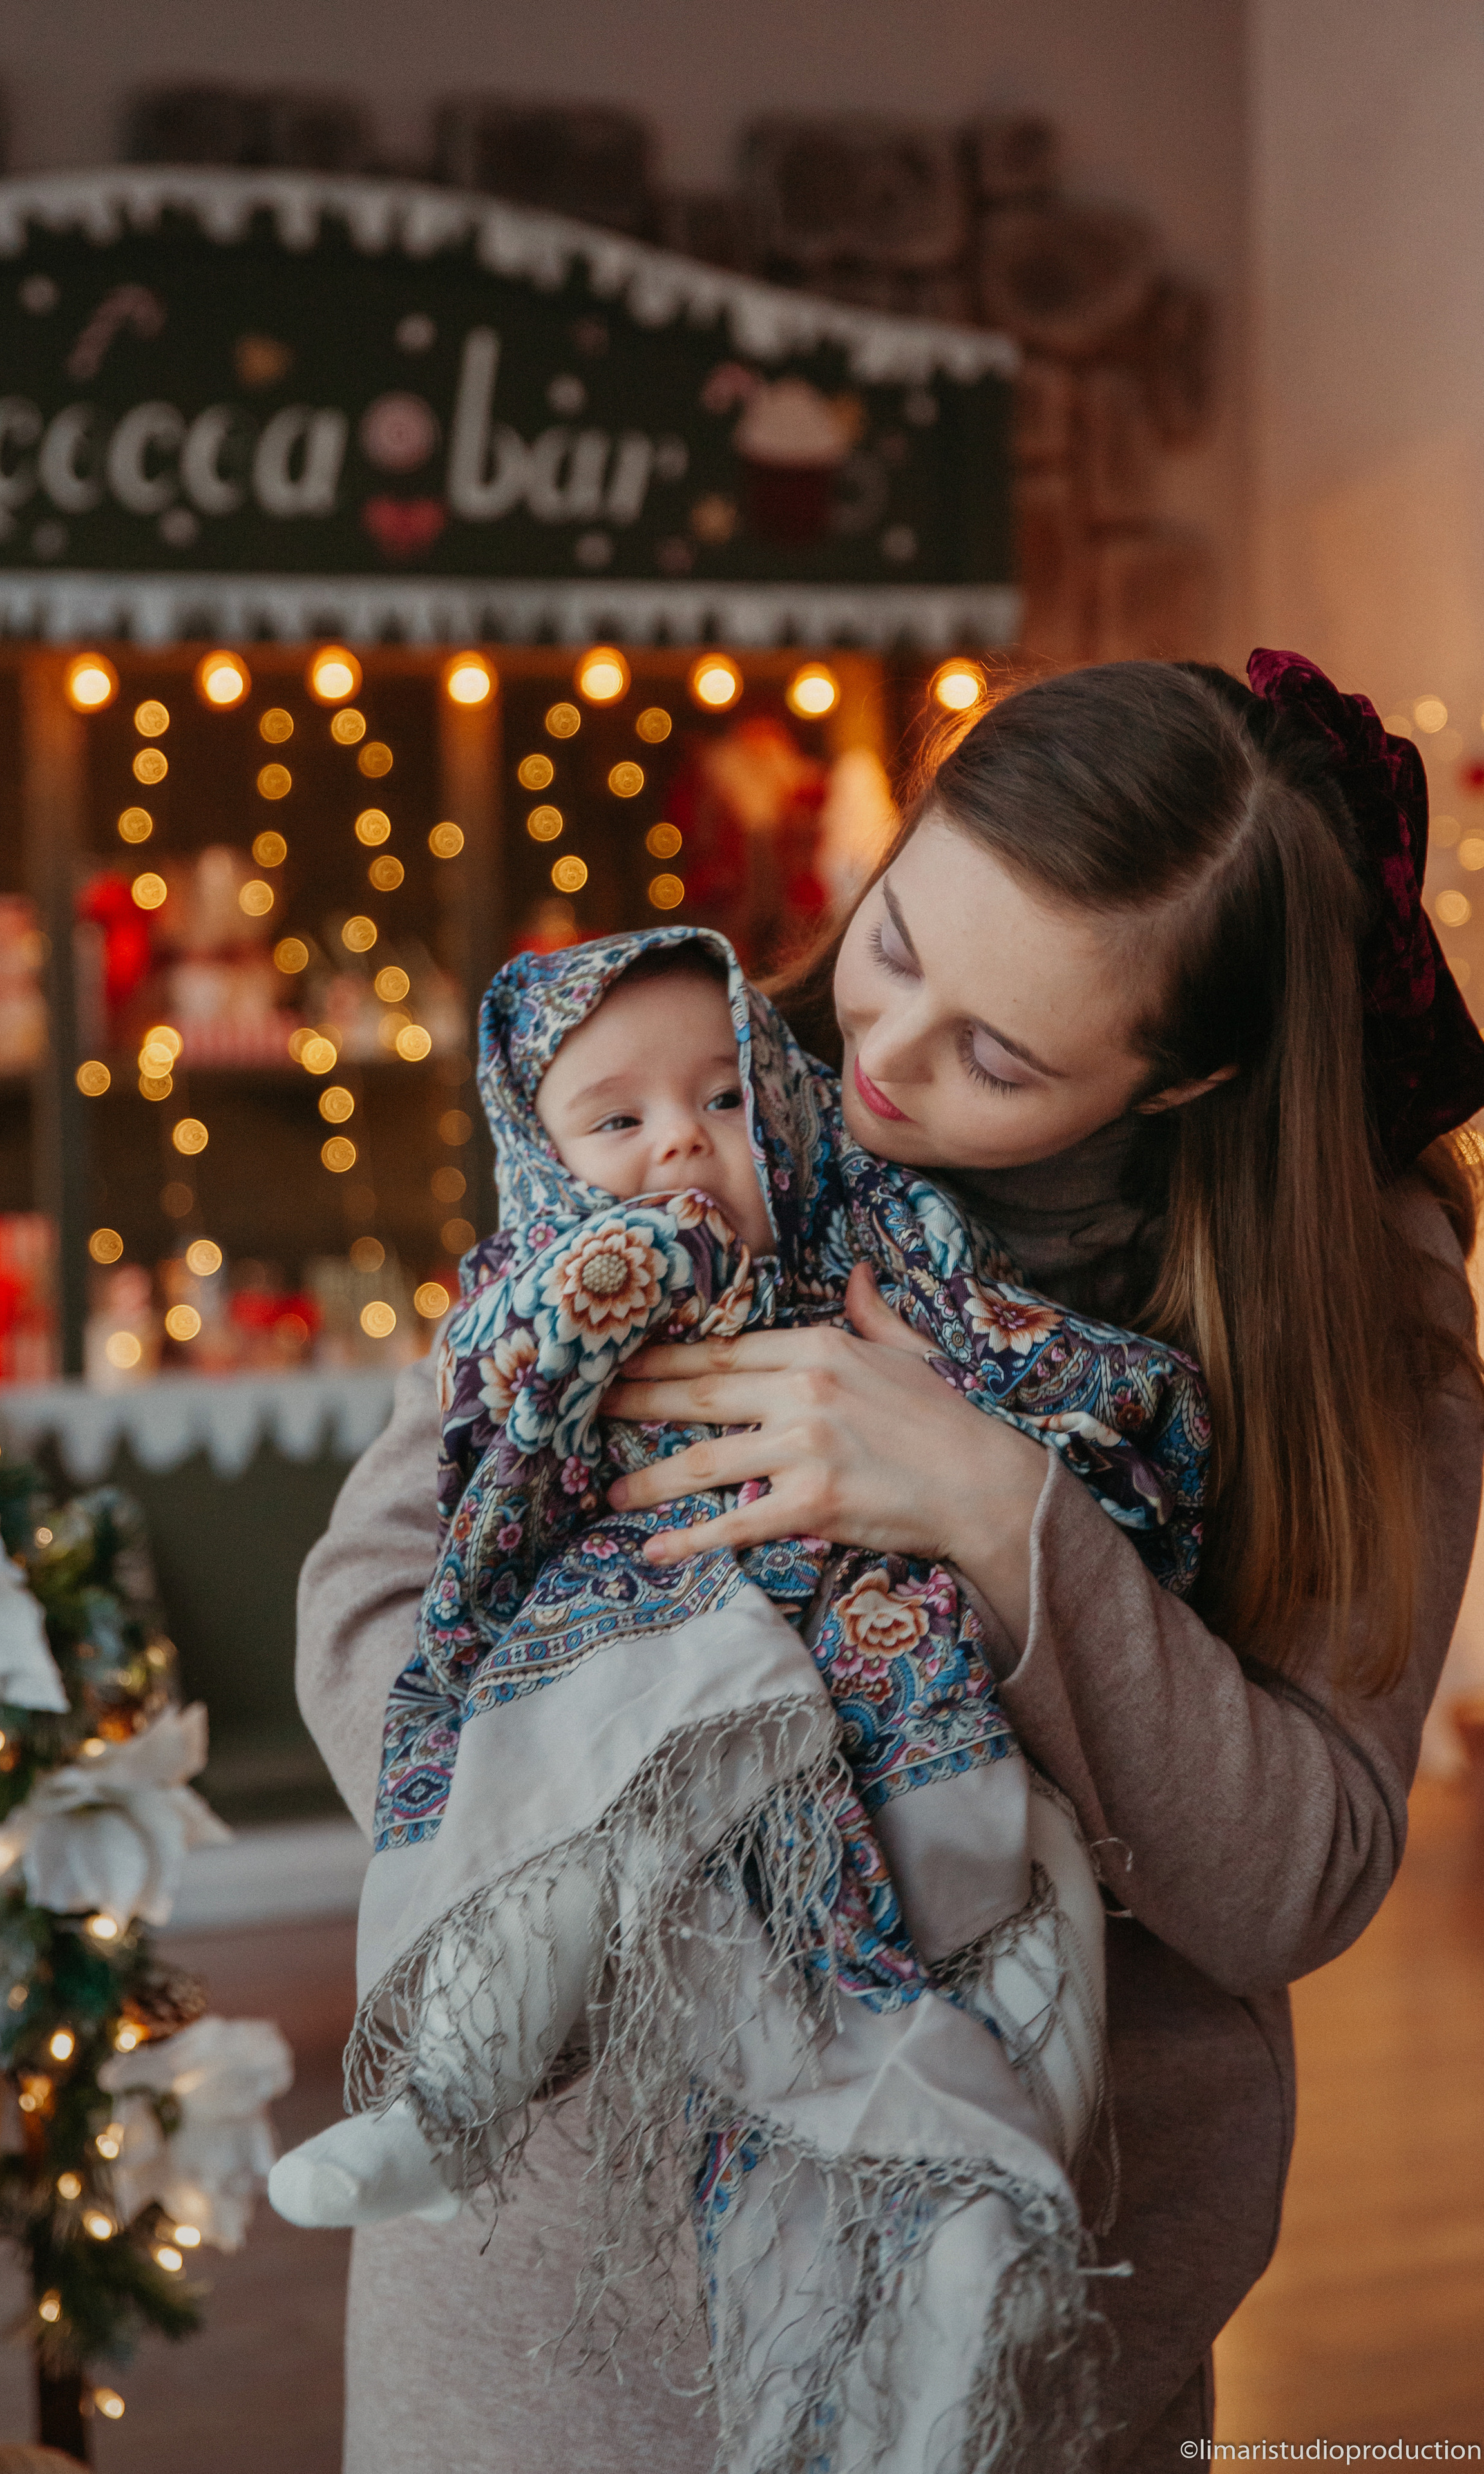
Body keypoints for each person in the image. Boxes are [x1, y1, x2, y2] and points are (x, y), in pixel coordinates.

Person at [296, 653, 1484, 2473]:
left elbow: (1298, 1875)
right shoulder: (698, 1094)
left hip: (1031, 2355)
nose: (882, 1066)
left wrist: (1005, 1519)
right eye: (900, 942)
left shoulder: (1352, 1304)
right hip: (550, 2339)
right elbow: (376, 1608)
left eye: (999, 1054)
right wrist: (644, 1830)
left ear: (1194, 1080)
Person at [274, 926, 1209, 2471]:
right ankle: (451, 2089)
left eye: (718, 1098)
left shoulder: (868, 1243)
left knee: (994, 1883)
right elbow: (435, 1499)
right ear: (539, 1155)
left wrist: (989, 1421)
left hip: (876, 1660)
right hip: (642, 1659)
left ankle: (981, 2186)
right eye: (616, 1120)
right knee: (600, 1850)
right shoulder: (528, 1285)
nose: (680, 1146)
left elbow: (1042, 1372)